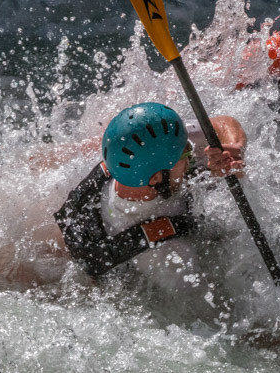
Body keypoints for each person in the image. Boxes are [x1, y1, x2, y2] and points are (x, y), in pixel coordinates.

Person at [52, 102, 246, 279]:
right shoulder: (169, 258)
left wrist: (233, 148)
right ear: (156, 178)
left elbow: (224, 124)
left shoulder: (147, 142)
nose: (192, 158)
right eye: (186, 153)